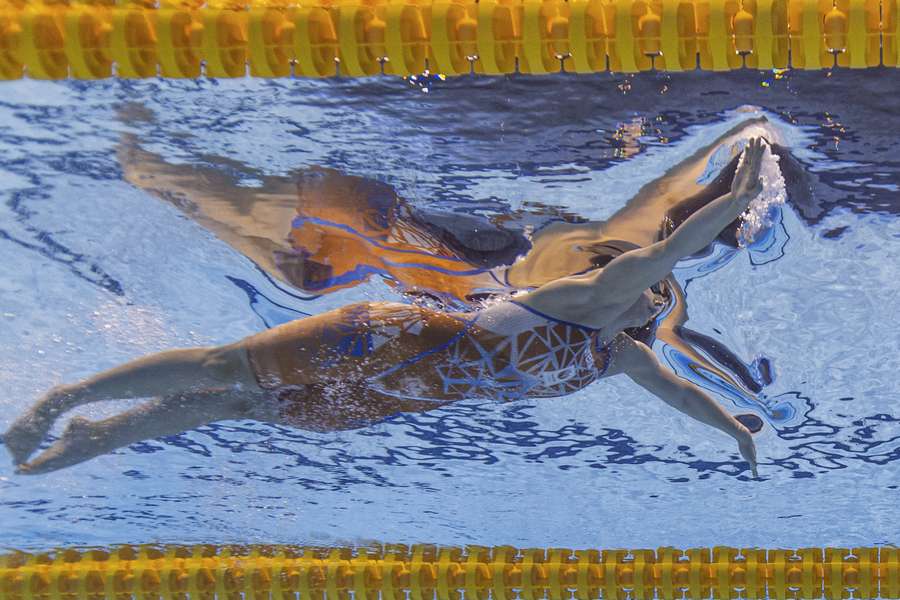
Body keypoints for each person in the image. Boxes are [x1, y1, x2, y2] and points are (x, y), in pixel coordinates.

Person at [2, 139, 768, 476]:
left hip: (402, 395)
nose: (653, 312)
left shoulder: (617, 354)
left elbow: (679, 392)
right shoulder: (590, 301)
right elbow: (663, 254)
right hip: (386, 341)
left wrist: (734, 430)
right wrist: (731, 198)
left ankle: (94, 438)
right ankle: (64, 399)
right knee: (224, 369)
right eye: (653, 299)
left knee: (235, 409)